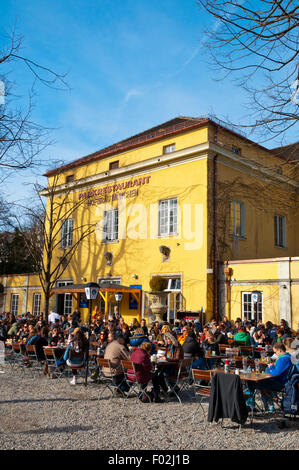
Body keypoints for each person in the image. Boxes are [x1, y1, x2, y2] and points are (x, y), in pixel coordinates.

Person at [246, 342, 292, 411]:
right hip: (285, 382)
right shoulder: (289, 357)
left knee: (251, 382)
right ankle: (268, 405)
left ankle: (251, 404)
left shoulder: (283, 359)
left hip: (279, 384)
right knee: (261, 383)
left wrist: (270, 367)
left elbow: (275, 373)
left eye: (275, 352)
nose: (275, 354)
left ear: (280, 350)